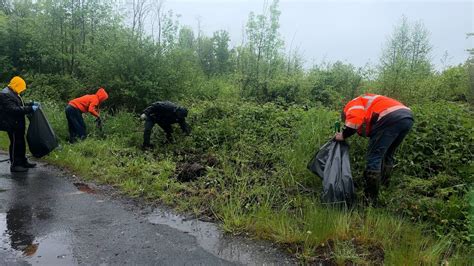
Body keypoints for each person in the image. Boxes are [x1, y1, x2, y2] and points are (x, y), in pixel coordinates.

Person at [335, 93, 413, 204]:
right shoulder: (367, 102)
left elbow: (355, 121)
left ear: (344, 113)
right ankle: (385, 188)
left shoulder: (351, 106)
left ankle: (369, 199)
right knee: (388, 154)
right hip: (407, 117)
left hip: (389, 118)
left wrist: (343, 135)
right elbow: (366, 125)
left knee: (374, 157)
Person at [0, 76, 40, 172]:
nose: (21, 90)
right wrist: (30, 109)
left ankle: (22, 161)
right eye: (21, 88)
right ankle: (15, 165)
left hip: (17, 123)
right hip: (11, 124)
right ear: (16, 85)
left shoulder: (13, 92)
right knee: (15, 144)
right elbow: (13, 109)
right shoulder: (5, 94)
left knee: (21, 143)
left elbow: (18, 105)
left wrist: (30, 104)